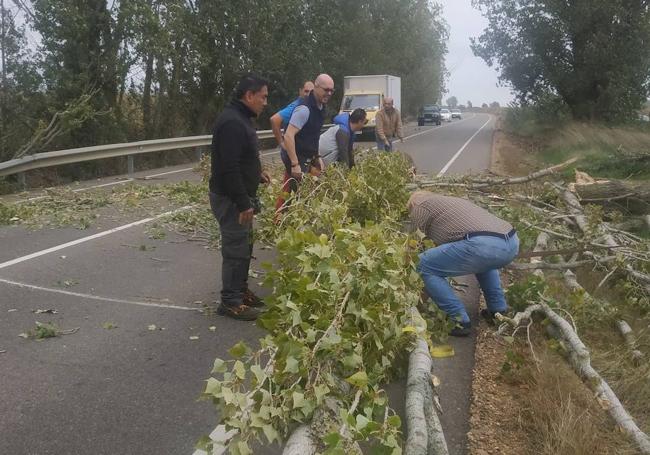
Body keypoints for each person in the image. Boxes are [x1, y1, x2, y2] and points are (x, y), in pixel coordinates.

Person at [408, 191, 519, 336]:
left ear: (412, 204)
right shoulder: (448, 203)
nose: (411, 215)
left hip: (481, 245)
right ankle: (498, 310)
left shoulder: (420, 206)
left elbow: (412, 249)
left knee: (422, 264)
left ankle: (458, 320)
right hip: (511, 242)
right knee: (484, 263)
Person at [208, 74, 271, 321]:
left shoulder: (241, 118)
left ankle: (240, 291)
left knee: (245, 246)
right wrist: (243, 202)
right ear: (249, 95)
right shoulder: (232, 122)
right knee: (236, 249)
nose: (265, 102)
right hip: (232, 199)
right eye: (263, 97)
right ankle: (230, 301)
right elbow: (229, 167)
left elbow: (244, 157)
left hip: (242, 195)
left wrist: (258, 173)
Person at [275, 74, 334, 212]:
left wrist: (318, 156)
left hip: (307, 155)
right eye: (326, 90)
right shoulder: (305, 109)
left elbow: (314, 135)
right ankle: (279, 223)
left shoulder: (320, 107)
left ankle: (296, 218)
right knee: (291, 193)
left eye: (332, 90)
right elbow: (289, 135)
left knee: (304, 190)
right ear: (316, 87)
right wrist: (295, 164)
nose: (329, 93)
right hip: (296, 156)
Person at [270, 81, 315, 147]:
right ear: (300, 91)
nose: (308, 94)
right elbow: (274, 120)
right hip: (292, 151)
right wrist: (281, 143)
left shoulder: (309, 105)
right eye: (306, 91)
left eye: (311, 92)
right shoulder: (296, 106)